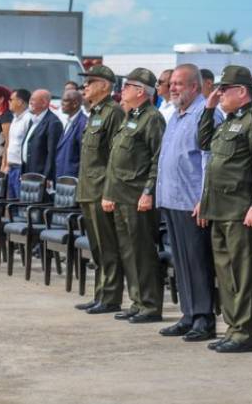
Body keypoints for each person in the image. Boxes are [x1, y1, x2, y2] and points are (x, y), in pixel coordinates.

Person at [199, 65, 252, 353]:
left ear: (241, 92)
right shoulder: (226, 121)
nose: (219, 93)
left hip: (240, 210)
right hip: (219, 208)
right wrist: (208, 109)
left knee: (241, 275)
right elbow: (202, 142)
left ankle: (245, 333)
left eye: (224, 89)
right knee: (225, 274)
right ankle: (232, 328)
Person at [156, 64, 222, 342]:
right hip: (172, 199)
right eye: (171, 83)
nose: (173, 88)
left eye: (179, 84)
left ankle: (204, 319)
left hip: (191, 201)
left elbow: (209, 160)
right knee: (181, 262)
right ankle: (188, 314)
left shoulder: (205, 114)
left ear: (195, 87)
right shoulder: (175, 115)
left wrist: (204, 198)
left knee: (197, 262)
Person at [101, 68, 165, 324]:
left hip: (138, 196)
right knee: (128, 252)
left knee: (142, 253)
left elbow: (157, 158)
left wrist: (149, 191)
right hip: (121, 195)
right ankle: (137, 301)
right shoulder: (131, 117)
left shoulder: (152, 119)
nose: (122, 90)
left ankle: (150, 304)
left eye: (127, 86)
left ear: (141, 91)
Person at [74, 65, 125, 314]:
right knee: (96, 248)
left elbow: (115, 157)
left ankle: (111, 296)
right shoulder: (95, 112)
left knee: (107, 247)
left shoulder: (113, 112)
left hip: (101, 189)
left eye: (90, 82)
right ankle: (100, 294)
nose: (85, 86)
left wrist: (109, 191)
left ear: (105, 85)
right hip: (88, 188)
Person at [21, 89, 63, 184]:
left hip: (41, 176)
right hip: (28, 171)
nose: (30, 103)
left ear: (44, 103)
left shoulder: (53, 122)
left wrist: (47, 176)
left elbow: (52, 153)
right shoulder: (33, 120)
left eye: (33, 100)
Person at [4, 89, 31, 198]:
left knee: (21, 201)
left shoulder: (28, 118)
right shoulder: (15, 118)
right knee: (11, 202)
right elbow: (10, 143)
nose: (8, 102)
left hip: (21, 167)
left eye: (11, 100)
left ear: (20, 102)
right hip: (11, 167)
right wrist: (6, 164)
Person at [55, 89, 86, 179]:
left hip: (72, 178)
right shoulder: (69, 121)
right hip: (62, 176)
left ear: (75, 103)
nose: (61, 103)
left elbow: (83, 155)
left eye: (65, 100)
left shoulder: (82, 123)